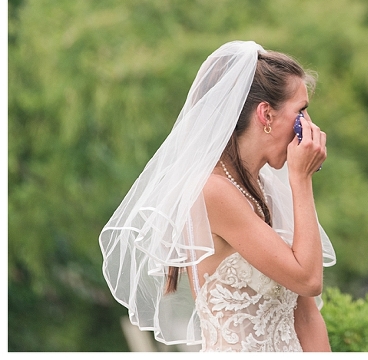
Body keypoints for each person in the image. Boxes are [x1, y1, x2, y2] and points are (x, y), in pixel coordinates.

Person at [99, 41, 336, 352]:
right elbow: (308, 279)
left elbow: (306, 316)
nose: (309, 127)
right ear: (266, 114)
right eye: (300, 112)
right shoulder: (212, 192)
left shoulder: (270, 188)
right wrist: (302, 180)